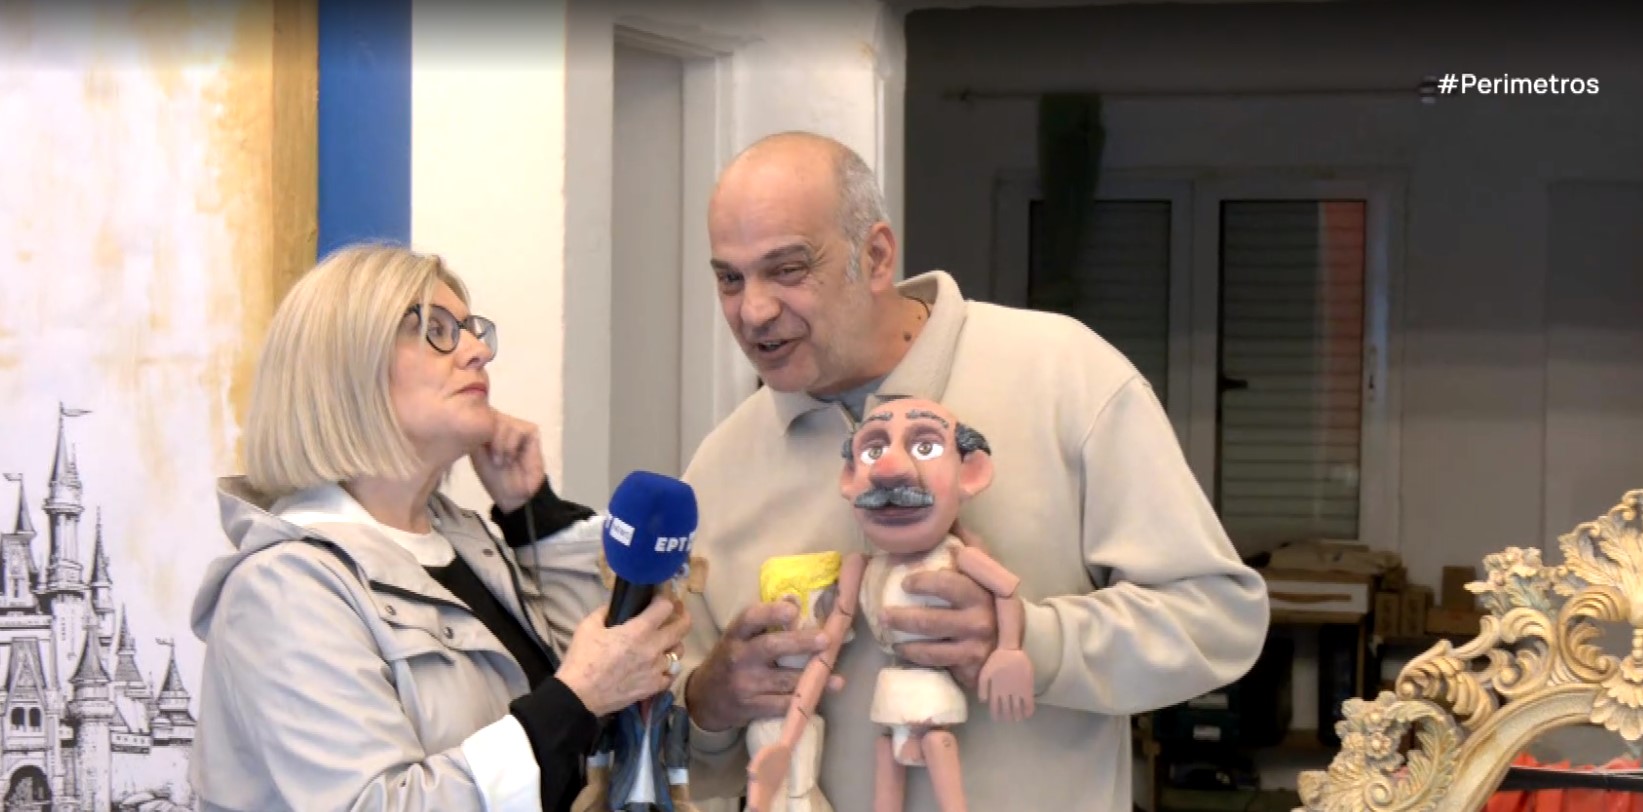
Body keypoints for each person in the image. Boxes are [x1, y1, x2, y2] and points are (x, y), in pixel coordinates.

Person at [675, 132, 1271, 811]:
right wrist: (708, 701)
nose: (753, 310)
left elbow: (1217, 620)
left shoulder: (1064, 375)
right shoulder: (717, 469)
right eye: (730, 278)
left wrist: (1027, 642)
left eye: (787, 269)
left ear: (875, 256)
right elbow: (680, 751)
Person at [189, 244, 691, 812]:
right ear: (346, 367)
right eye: (435, 329)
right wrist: (575, 699)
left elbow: (589, 714)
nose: (479, 351)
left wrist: (535, 513)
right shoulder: (282, 589)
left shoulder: (469, 547)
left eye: (472, 331)